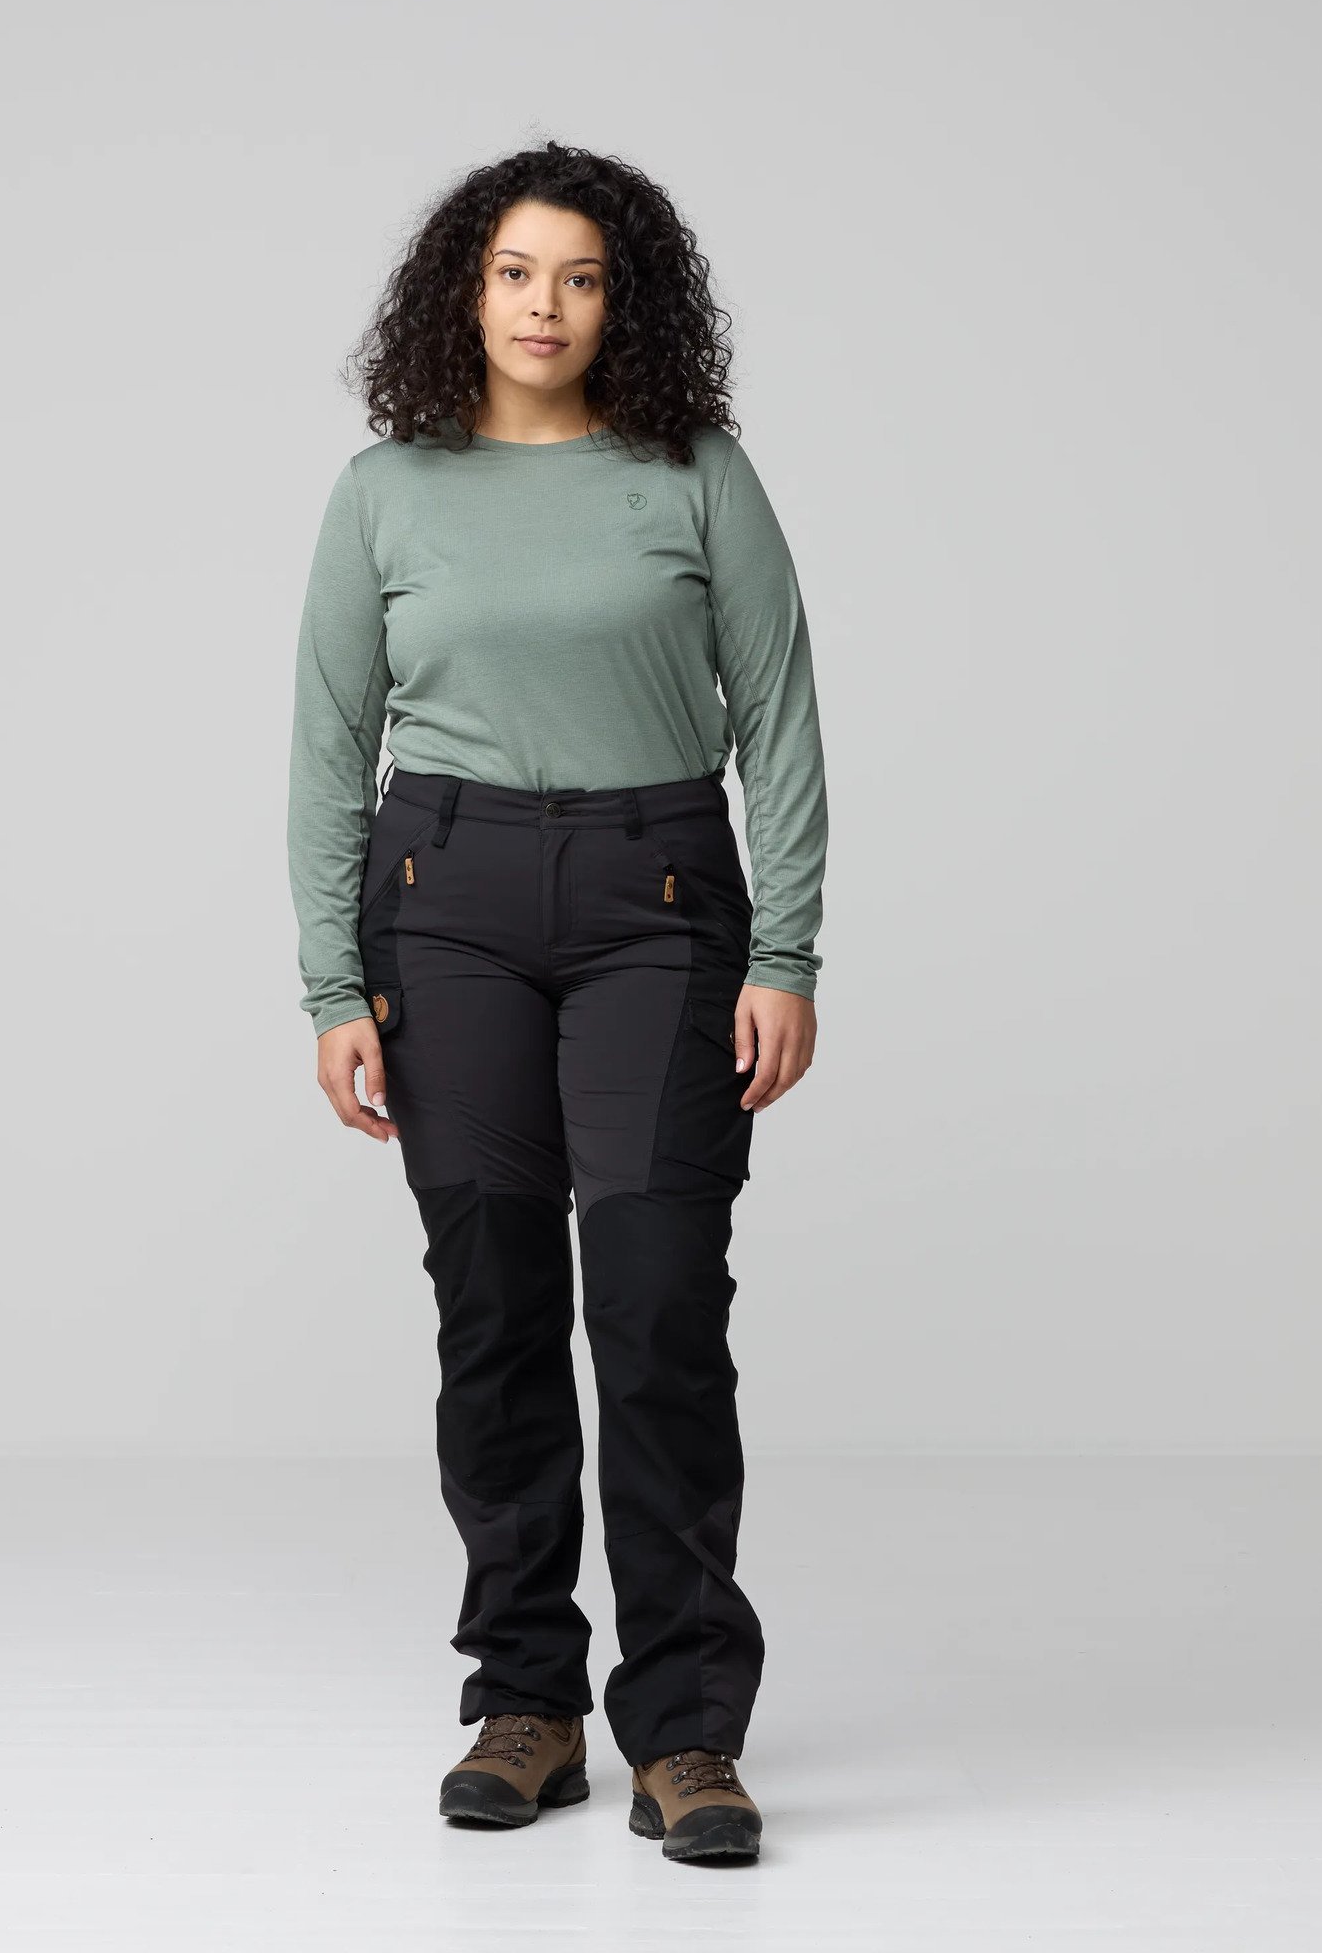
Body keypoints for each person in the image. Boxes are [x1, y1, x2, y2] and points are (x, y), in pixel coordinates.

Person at [285, 140, 828, 1868]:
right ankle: (527, 1698)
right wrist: (332, 981)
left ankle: (686, 1730)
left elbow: (781, 720)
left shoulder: (695, 473)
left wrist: (788, 955)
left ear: (623, 303)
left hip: (655, 904)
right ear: (466, 290)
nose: (546, 307)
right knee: (497, 1308)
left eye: (582, 279)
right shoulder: (386, 491)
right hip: (444, 911)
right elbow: (327, 746)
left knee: (658, 1307)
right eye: (517, 273)